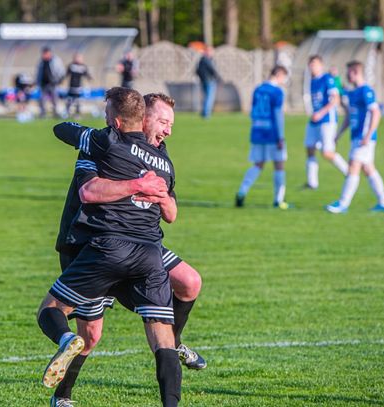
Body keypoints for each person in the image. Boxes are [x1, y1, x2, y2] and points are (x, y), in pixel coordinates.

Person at [49, 93, 205, 406]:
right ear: (142, 118)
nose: (168, 130)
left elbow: (171, 213)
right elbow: (89, 190)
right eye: (163, 122)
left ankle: (173, 343)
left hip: (141, 243)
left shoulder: (160, 156)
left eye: (171, 124)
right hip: (91, 242)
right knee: (90, 335)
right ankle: (62, 395)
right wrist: (137, 185)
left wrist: (159, 195)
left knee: (189, 282)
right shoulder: (103, 144)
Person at [326, 61, 384, 214]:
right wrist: (338, 135)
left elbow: (376, 112)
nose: (347, 75)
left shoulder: (366, 91)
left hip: (364, 138)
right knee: (368, 169)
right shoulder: (354, 93)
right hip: (356, 137)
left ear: (355, 72)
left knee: (353, 166)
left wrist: (368, 135)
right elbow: (349, 114)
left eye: (349, 72)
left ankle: (343, 204)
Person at [235, 65, 290, 209]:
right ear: (279, 74)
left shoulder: (258, 89)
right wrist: (280, 137)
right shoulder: (277, 92)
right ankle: (279, 200)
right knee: (279, 164)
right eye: (284, 77)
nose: (284, 81)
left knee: (258, 164)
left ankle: (242, 191)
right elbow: (278, 115)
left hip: (257, 131)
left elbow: (253, 112)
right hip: (272, 133)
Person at [304, 55, 349, 189]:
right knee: (310, 148)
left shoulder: (327, 79)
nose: (312, 66)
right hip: (315, 120)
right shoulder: (311, 81)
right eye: (310, 64)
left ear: (321, 65)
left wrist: (321, 113)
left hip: (327, 120)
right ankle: (312, 183)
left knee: (327, 152)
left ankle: (349, 172)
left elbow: (335, 100)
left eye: (315, 64)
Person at [36, 46, 65, 118]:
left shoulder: (55, 60)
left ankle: (55, 112)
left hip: (53, 83)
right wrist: (37, 81)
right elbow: (38, 73)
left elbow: (61, 70)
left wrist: (59, 80)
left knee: (55, 99)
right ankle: (43, 113)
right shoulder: (41, 62)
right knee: (42, 99)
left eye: (46, 53)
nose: (44, 55)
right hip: (43, 84)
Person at [196, 46, 221, 119]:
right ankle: (206, 113)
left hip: (204, 81)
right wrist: (219, 77)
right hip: (209, 81)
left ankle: (204, 112)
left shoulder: (201, 60)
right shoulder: (207, 60)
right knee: (209, 97)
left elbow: (197, 71)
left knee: (207, 97)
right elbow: (213, 70)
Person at [65, 53, 92, 118]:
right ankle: (67, 112)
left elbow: (87, 74)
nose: (78, 59)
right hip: (71, 86)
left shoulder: (83, 66)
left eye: (79, 58)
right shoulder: (71, 65)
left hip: (78, 87)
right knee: (69, 100)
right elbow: (66, 74)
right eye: (77, 58)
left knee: (78, 101)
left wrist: (90, 78)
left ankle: (77, 113)